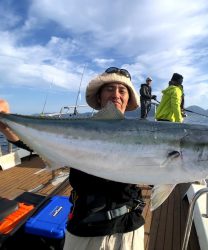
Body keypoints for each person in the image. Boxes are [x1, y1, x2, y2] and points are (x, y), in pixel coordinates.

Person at [0, 67, 145, 250]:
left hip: (129, 227)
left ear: (128, 99)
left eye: (122, 90)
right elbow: (35, 145)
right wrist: (5, 125)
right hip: (85, 228)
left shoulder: (143, 134)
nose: (116, 94)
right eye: (109, 89)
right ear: (99, 97)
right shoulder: (78, 129)